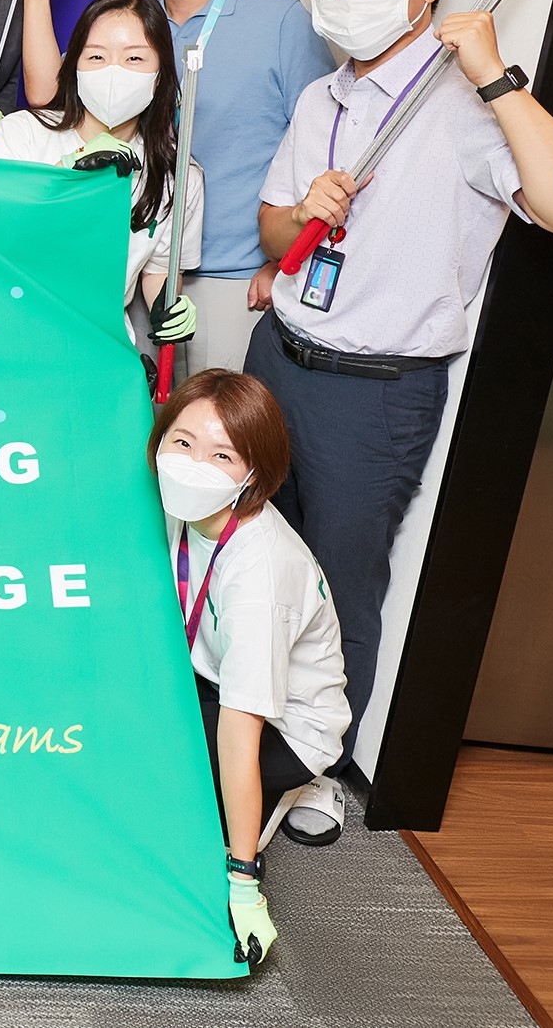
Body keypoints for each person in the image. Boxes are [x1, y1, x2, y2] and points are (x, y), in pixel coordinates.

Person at [246, 0, 553, 824]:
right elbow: (272, 231)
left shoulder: (466, 106)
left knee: (337, 581)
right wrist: (300, 210)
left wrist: (496, 77)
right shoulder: (320, 98)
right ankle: (234, 731)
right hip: (278, 355)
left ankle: (314, 767)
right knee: (251, 556)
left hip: (374, 393)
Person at [20, 0, 333, 373]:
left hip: (238, 279)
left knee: (215, 419)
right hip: (132, 267)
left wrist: (286, 259)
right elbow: (53, 97)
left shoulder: (280, 20)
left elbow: (325, 141)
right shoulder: (133, 29)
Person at [149, 369, 350, 967]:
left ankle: (289, 791)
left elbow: (240, 732)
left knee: (166, 805)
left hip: (285, 727)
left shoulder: (259, 577)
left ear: (253, 476)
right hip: (208, 674)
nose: (194, 465)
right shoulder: (184, 507)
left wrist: (243, 880)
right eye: (182, 442)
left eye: (222, 455)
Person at [0, 0, 201, 348]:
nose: (114, 71)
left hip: (100, 345)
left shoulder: (178, 175)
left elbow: (159, 269)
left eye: (134, 58)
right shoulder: (23, 133)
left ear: (161, 75)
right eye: (97, 56)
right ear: (74, 67)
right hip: (8, 329)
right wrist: (66, 173)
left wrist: (168, 305)